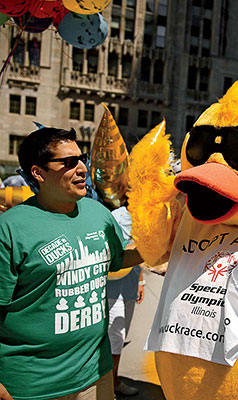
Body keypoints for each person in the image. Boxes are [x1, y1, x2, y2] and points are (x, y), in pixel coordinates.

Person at [0, 128, 143, 400]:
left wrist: (158, 245)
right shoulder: (9, 229)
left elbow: (117, 260)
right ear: (38, 173)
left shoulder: (98, 213)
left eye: (82, 158)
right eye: (67, 162)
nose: (81, 168)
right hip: (31, 385)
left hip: (95, 376)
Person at [108, 205, 145, 397]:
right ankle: (109, 384)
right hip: (112, 288)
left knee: (120, 338)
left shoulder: (147, 214)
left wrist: (141, 281)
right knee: (115, 337)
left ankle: (113, 381)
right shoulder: (118, 215)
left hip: (129, 287)